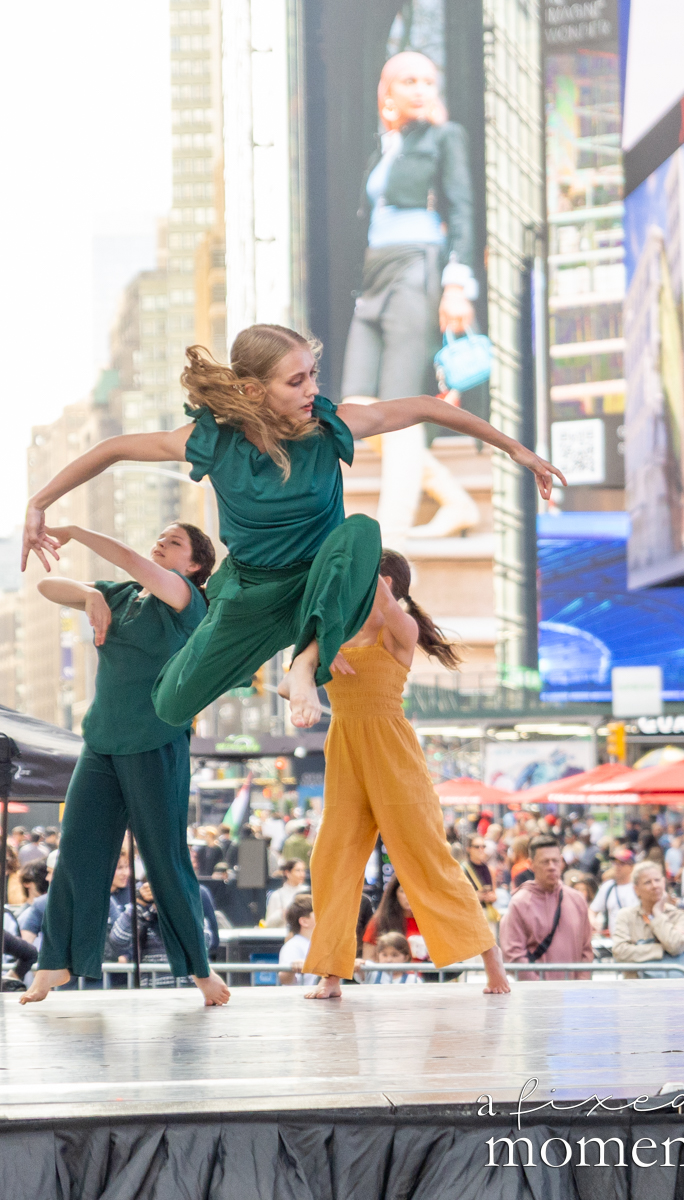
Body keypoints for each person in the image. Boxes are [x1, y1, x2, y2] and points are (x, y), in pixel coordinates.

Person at [21, 324, 563, 735]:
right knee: (169, 706)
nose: (311, 390)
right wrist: (39, 502)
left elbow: (424, 407)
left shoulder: (331, 427)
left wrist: (517, 451)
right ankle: (284, 658)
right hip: (251, 596)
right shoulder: (211, 441)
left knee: (361, 533)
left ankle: (302, 664)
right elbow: (113, 449)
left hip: (319, 585)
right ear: (255, 391)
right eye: (296, 380)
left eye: (312, 376)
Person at [19, 523, 228, 1007]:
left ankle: (200, 971)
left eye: (174, 543)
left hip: (155, 740)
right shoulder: (123, 595)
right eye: (160, 537)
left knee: (165, 860)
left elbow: (137, 562)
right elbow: (47, 587)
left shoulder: (187, 601)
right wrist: (90, 593)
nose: (160, 543)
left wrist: (74, 530)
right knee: (74, 853)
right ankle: (54, 965)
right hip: (102, 741)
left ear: (195, 565)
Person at [296, 552, 508, 997]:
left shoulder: (400, 626)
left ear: (384, 581)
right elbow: (290, 674)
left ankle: (492, 962)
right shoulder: (330, 627)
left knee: (427, 859)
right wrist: (304, 687)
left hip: (392, 750)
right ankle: (331, 974)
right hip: (345, 748)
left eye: (358, 573)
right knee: (331, 860)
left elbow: (390, 608)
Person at [342, 50, 484, 543]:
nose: (421, 88)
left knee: (399, 408)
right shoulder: (385, 146)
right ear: (388, 92)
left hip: (417, 266)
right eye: (409, 80)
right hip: (376, 272)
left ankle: (392, 538)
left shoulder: (446, 137)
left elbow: (464, 213)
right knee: (356, 403)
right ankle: (455, 499)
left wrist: (457, 283)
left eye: (428, 80)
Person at [499, 835, 592, 981]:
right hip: (537, 998)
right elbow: (514, 955)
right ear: (531, 864)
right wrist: (540, 989)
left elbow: (586, 949)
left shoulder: (577, 900)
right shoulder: (519, 903)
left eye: (555, 861)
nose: (551, 866)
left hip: (573, 996)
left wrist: (581, 983)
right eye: (545, 862)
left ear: (561, 862)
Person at [612, 861, 684, 975]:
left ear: (664, 882)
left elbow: (675, 946)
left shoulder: (679, 915)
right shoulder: (626, 916)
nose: (654, 886)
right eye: (647, 882)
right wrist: (660, 950)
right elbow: (619, 952)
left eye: (657, 880)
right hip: (635, 986)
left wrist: (657, 913)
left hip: (671, 986)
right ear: (636, 889)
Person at [591, 849, 636, 933]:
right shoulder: (608, 886)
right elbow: (592, 910)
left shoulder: (638, 888)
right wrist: (593, 921)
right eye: (615, 863)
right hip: (613, 939)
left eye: (622, 863)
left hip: (635, 939)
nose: (617, 866)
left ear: (631, 867)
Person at [278, 895, 318, 987]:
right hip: (300, 999)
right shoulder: (293, 946)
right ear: (304, 921)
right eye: (317, 912)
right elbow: (284, 978)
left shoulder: (322, 943)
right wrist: (293, 967)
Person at [463, 834, 500, 932]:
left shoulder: (490, 869)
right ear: (469, 849)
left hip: (487, 914)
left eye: (483, 846)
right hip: (471, 916)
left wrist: (491, 897)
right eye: (477, 847)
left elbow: (494, 894)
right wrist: (476, 896)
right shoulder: (462, 870)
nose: (481, 849)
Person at [263, 859, 309, 928]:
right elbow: (268, 923)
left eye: (303, 870)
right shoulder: (277, 895)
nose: (302, 874)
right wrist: (282, 914)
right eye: (298, 870)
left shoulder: (308, 892)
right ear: (287, 873)